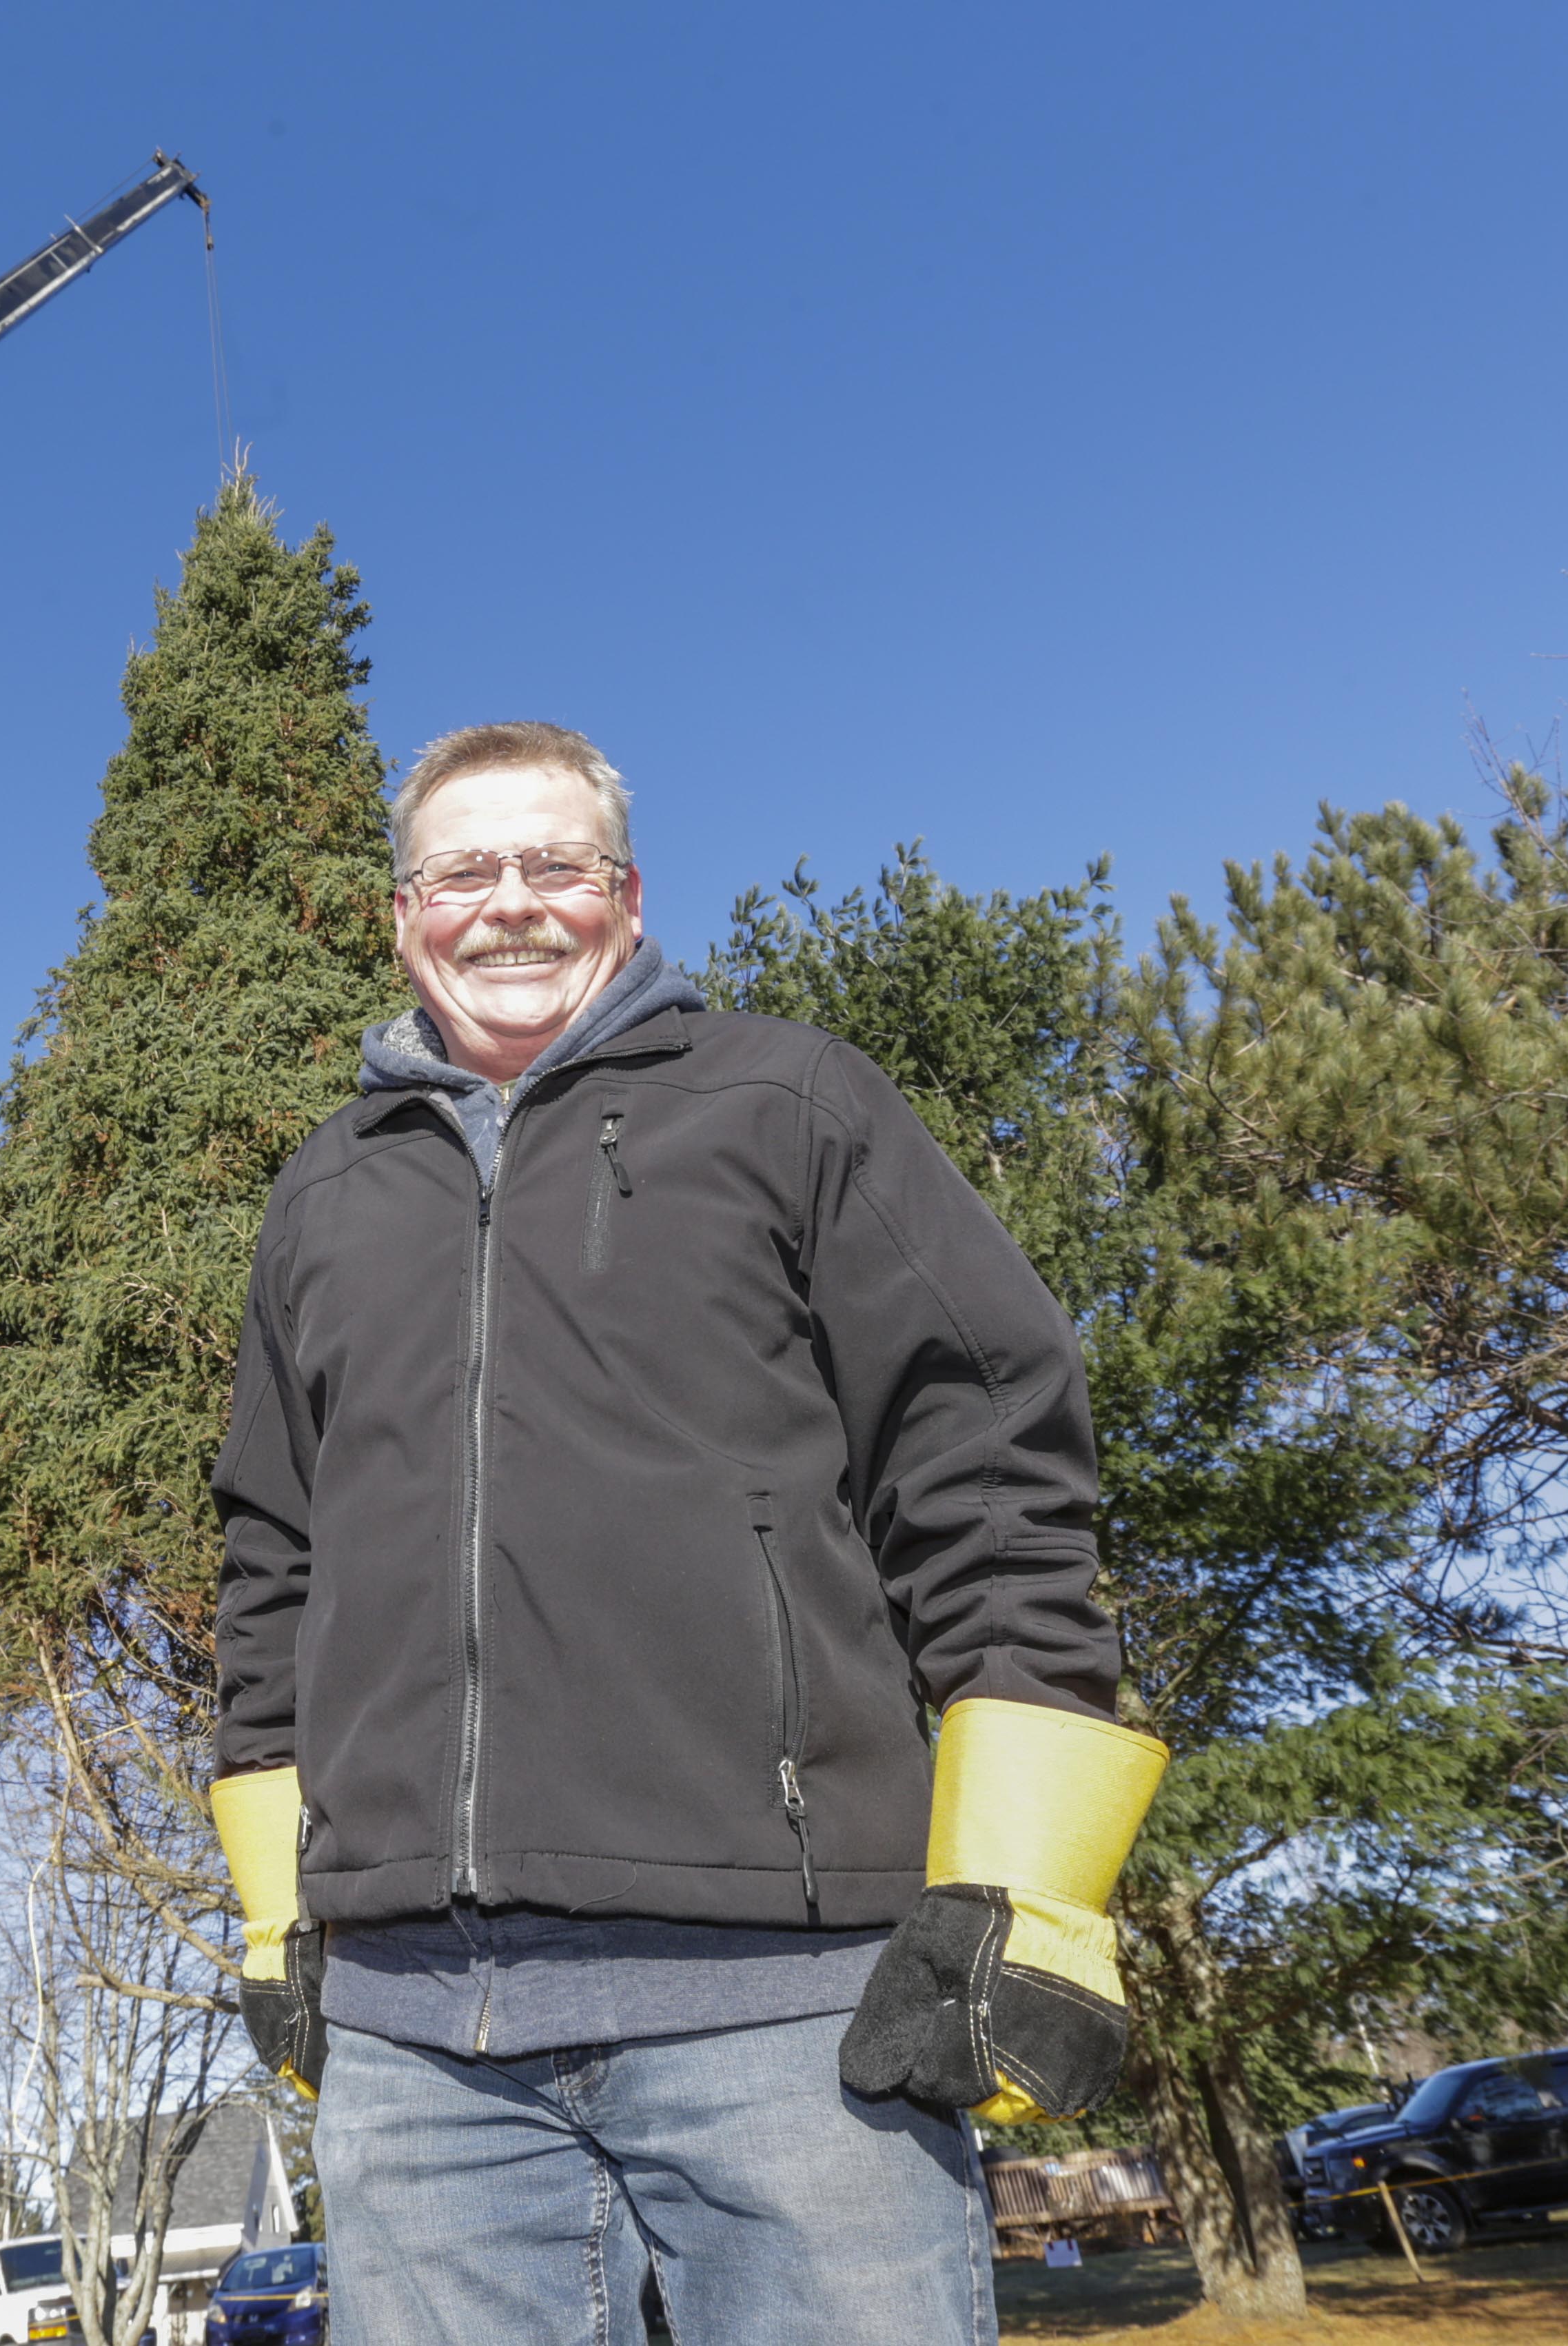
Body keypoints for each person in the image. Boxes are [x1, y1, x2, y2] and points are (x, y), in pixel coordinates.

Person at [207, 724, 1169, 2345]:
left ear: (627, 896)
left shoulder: (790, 1101)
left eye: (555, 865)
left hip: (794, 2023)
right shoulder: (325, 1190)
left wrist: (1028, 1890)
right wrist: (277, 1910)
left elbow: (989, 1457)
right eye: (464, 871)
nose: (510, 906)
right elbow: (270, 1563)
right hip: (415, 2054)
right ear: (403, 913)